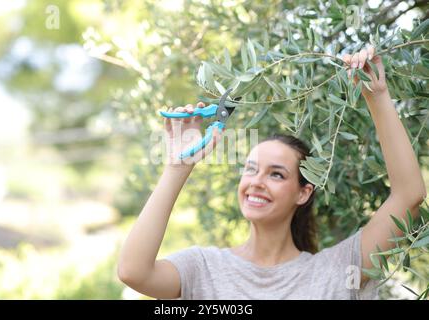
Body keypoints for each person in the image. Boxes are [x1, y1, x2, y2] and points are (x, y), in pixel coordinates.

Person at [117, 46, 426, 299]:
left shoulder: (337, 271)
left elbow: (409, 196)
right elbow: (134, 272)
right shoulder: (203, 268)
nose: (256, 183)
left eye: (276, 174)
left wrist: (377, 95)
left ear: (304, 192)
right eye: (250, 170)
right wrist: (177, 167)